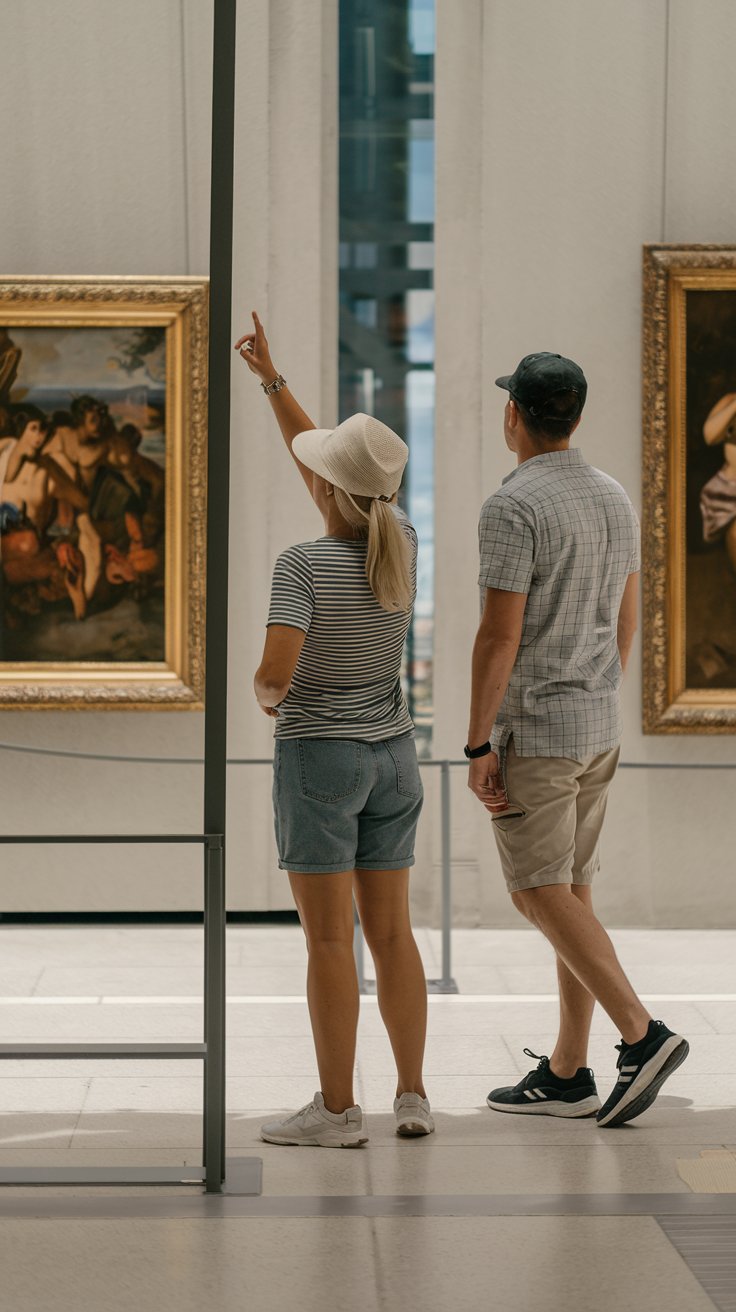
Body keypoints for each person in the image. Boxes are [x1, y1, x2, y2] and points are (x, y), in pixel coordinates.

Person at [466, 352, 689, 1128]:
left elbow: (499, 637)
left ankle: (642, 1033)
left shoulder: (513, 504)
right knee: (572, 889)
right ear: (577, 418)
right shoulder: (613, 496)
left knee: (536, 891)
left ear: (513, 417)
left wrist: (475, 744)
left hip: (536, 729)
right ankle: (567, 1070)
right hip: (596, 725)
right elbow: (627, 620)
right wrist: (597, 691)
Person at [235, 310, 433, 1149]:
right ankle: (414, 1096)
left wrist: (264, 695)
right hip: (394, 759)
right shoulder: (404, 543)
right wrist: (274, 384)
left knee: (327, 942)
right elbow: (331, 467)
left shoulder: (301, 564)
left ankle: (337, 1110)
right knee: (393, 936)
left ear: (323, 492)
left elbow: (276, 677)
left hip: (320, 764)